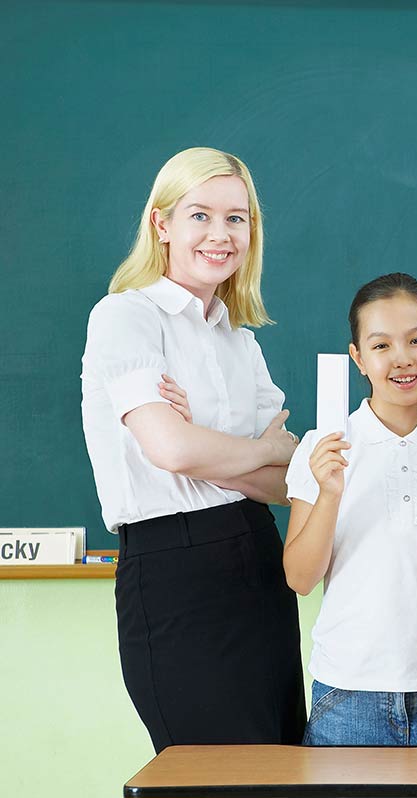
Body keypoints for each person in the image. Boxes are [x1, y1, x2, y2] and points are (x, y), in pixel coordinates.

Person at [80, 147, 305, 752]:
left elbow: (288, 485)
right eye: (199, 215)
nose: (220, 234)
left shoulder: (240, 342)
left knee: (279, 763)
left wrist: (221, 451)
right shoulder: (125, 318)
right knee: (210, 774)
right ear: (162, 224)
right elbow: (172, 449)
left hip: (259, 562)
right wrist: (256, 449)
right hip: (174, 572)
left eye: (237, 218)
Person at [283, 273, 417, 746]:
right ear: (358, 358)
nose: (402, 359)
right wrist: (328, 492)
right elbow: (300, 578)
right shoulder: (322, 449)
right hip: (348, 694)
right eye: (381, 346)